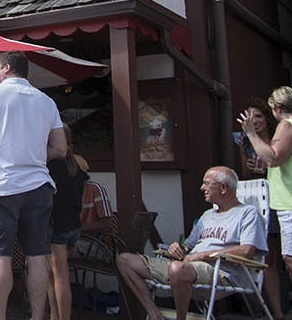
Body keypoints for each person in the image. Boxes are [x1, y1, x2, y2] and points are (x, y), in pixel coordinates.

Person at [0, 51, 67, 320]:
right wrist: (32, 153)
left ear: (7, 68)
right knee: (37, 255)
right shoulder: (47, 101)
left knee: (1, 256)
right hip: (39, 186)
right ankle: (37, 317)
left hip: (3, 186)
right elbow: (60, 148)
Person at [116, 166, 267, 320]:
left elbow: (247, 250)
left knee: (177, 268)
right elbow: (187, 246)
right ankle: (155, 315)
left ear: (223, 188)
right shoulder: (207, 215)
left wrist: (203, 255)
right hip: (187, 267)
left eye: (207, 183)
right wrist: (177, 248)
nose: (202, 188)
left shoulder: (247, 213)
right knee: (125, 260)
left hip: (220, 272)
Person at [239, 87, 292, 314]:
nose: (254, 120)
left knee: (289, 258)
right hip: (271, 202)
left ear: (275, 110)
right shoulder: (246, 142)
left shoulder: (285, 127)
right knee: (277, 257)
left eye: (260, 114)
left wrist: (251, 133)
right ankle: (278, 313)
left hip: (285, 201)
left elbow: (273, 158)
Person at [46, 125, 85, 320]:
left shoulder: (50, 167)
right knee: (53, 275)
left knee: (59, 275)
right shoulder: (75, 167)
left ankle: (62, 317)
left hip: (57, 226)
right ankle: (55, 316)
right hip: (73, 228)